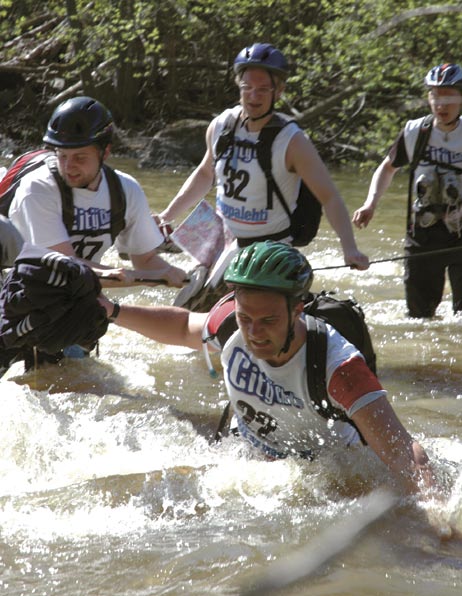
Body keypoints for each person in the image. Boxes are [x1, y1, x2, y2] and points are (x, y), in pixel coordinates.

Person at [98, 241, 437, 498]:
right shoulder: (230, 322)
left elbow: (402, 449)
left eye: (269, 320)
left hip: (321, 474)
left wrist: (438, 514)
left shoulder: (339, 366)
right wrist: (111, 310)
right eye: (246, 318)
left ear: (297, 310)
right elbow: (185, 325)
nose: (254, 332)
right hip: (246, 460)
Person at [156, 43, 368, 307]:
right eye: (247, 87)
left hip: (270, 251)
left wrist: (349, 248)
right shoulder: (222, 126)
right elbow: (204, 173)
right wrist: (167, 216)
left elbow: (330, 197)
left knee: (238, 325)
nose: (253, 96)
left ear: (278, 91)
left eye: (263, 89)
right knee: (184, 316)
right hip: (222, 240)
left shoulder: (292, 141)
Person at [352, 63, 462, 318]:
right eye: (435, 95)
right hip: (423, 232)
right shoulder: (414, 132)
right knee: (418, 318)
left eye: (449, 96)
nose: (441, 104)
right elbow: (387, 168)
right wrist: (371, 203)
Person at [8, 96, 188, 288]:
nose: (69, 167)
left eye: (80, 157)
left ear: (105, 152)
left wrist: (182, 278)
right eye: (62, 156)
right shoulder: (37, 188)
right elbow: (64, 267)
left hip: (79, 291)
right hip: (22, 296)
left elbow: (145, 260)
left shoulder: (126, 190)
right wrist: (133, 276)